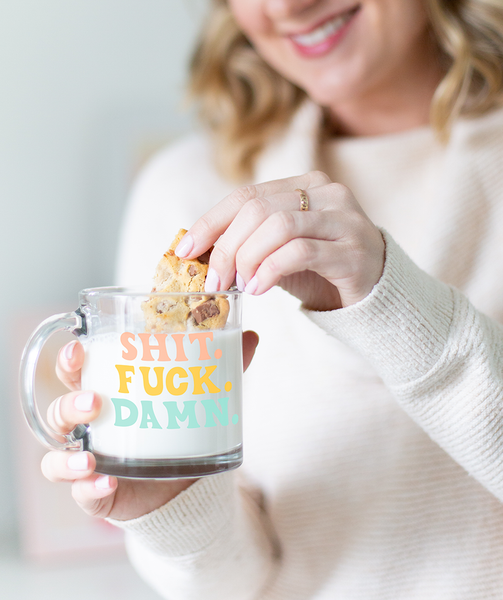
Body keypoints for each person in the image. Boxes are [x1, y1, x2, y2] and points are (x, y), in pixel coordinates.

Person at [41, 0, 503, 597]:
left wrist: (393, 304)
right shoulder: (189, 193)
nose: (286, 6)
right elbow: (237, 585)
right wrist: (173, 509)